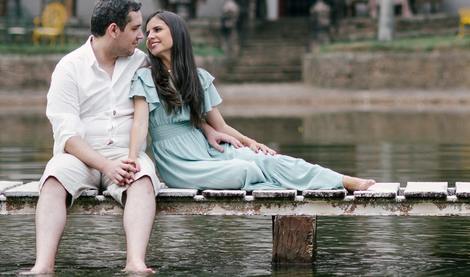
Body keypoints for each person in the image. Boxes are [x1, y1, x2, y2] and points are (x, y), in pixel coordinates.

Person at [128, 10, 376, 193]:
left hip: (207, 149)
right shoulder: (145, 76)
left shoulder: (198, 77)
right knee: (245, 170)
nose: (149, 36)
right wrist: (131, 161)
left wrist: (251, 143)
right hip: (179, 163)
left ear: (177, 33)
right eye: (147, 32)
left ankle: (341, 180)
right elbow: (140, 125)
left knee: (268, 159)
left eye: (157, 30)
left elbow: (221, 126)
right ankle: (299, 185)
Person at [27, 0, 161, 274]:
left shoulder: (142, 63)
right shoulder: (69, 67)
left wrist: (212, 129)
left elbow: (182, 95)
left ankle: (135, 262)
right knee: (53, 178)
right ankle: (43, 267)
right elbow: (66, 135)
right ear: (114, 30)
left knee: (144, 178)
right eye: (135, 28)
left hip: (126, 154)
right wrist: (105, 166)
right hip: (79, 156)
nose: (141, 35)